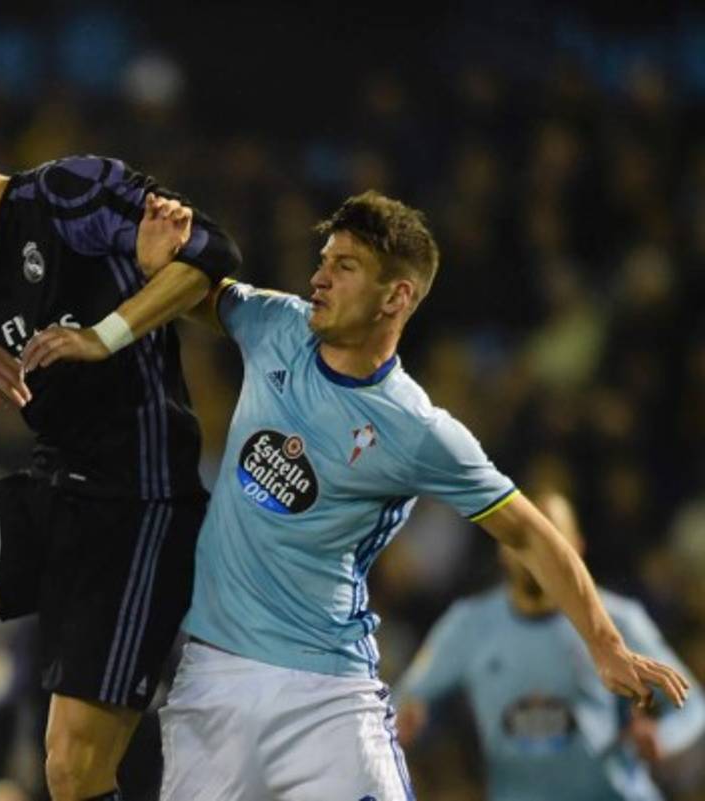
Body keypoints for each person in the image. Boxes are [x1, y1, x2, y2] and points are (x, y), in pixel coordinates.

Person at [155, 190, 691, 801]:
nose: (318, 278)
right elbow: (194, 293)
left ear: (396, 297)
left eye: (344, 266)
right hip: (213, 677)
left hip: (327, 697)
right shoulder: (275, 324)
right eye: (324, 261)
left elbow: (528, 532)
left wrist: (606, 646)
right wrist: (154, 260)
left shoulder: (418, 430)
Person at [0, 112, 242, 801]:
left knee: (72, 771)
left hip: (140, 507)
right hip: (52, 489)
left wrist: (106, 334)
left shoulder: (68, 194)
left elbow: (211, 251)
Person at [395, 490, 705, 800]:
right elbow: (403, 701)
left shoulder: (618, 622)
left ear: (577, 548)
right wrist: (407, 719)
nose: (539, 552)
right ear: (503, 548)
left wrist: (662, 737)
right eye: (525, 538)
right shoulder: (469, 625)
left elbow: (692, 705)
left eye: (552, 538)